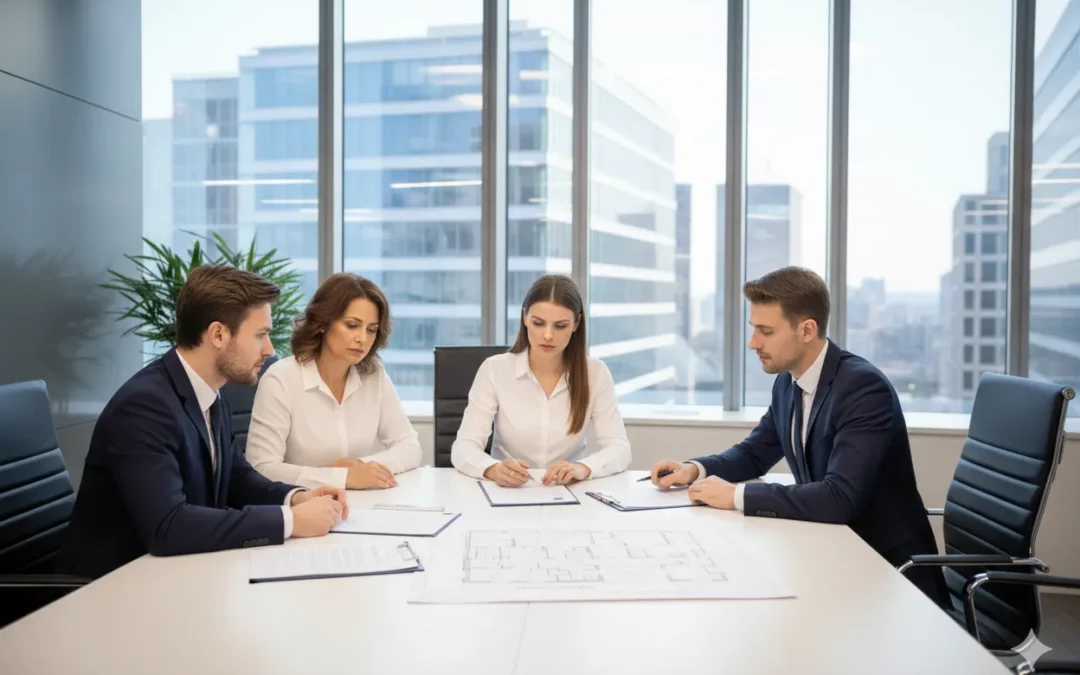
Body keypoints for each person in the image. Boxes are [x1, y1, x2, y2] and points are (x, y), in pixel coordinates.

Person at [649, 266, 948, 608]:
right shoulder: (788, 383)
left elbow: (839, 498)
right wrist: (694, 469)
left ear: (807, 329)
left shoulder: (864, 389)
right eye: (753, 329)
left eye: (766, 331)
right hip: (833, 555)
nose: (753, 343)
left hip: (889, 578)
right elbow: (754, 454)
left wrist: (736, 495)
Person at [58, 265, 348, 579]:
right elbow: (169, 526)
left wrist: (297, 497)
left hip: (174, 575)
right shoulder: (143, 407)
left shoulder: (208, 391)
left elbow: (236, 477)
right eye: (261, 335)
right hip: (108, 590)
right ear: (218, 334)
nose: (270, 349)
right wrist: (289, 521)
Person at [451, 274, 631, 486]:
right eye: (538, 323)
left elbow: (619, 449)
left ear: (576, 324)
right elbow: (463, 447)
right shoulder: (494, 369)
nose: (547, 335)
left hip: (571, 494)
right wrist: (492, 469)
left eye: (560, 326)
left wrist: (580, 469)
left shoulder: (596, 373)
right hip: (509, 493)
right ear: (525, 318)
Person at [246, 273, 421, 489]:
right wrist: (342, 477)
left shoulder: (374, 375)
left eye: (371, 330)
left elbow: (410, 447)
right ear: (323, 323)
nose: (362, 339)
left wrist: (360, 468)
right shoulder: (281, 379)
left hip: (363, 504)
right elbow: (262, 468)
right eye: (352, 325)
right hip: (300, 507)